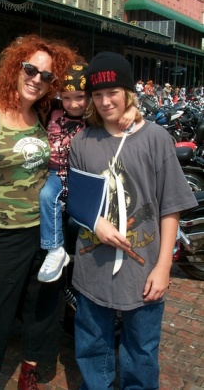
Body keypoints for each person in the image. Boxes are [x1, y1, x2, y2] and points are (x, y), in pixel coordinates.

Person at [0, 34, 78, 390]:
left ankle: (29, 371)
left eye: (46, 75)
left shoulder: (40, 113)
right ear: (16, 67)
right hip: (5, 232)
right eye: (30, 69)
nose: (37, 78)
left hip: (47, 232)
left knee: (43, 307)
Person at [67, 52, 197, 390]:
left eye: (113, 92)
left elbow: (170, 207)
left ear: (128, 92)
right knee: (93, 346)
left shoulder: (155, 138)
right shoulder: (83, 142)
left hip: (144, 269)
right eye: (97, 94)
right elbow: (78, 202)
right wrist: (95, 223)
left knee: (141, 350)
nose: (106, 101)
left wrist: (163, 267)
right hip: (92, 266)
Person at [38, 63, 137, 283]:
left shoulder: (94, 117)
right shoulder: (52, 112)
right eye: (66, 98)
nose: (73, 104)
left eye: (80, 97)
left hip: (82, 175)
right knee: (46, 196)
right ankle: (54, 250)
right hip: (56, 173)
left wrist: (132, 110)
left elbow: (119, 110)